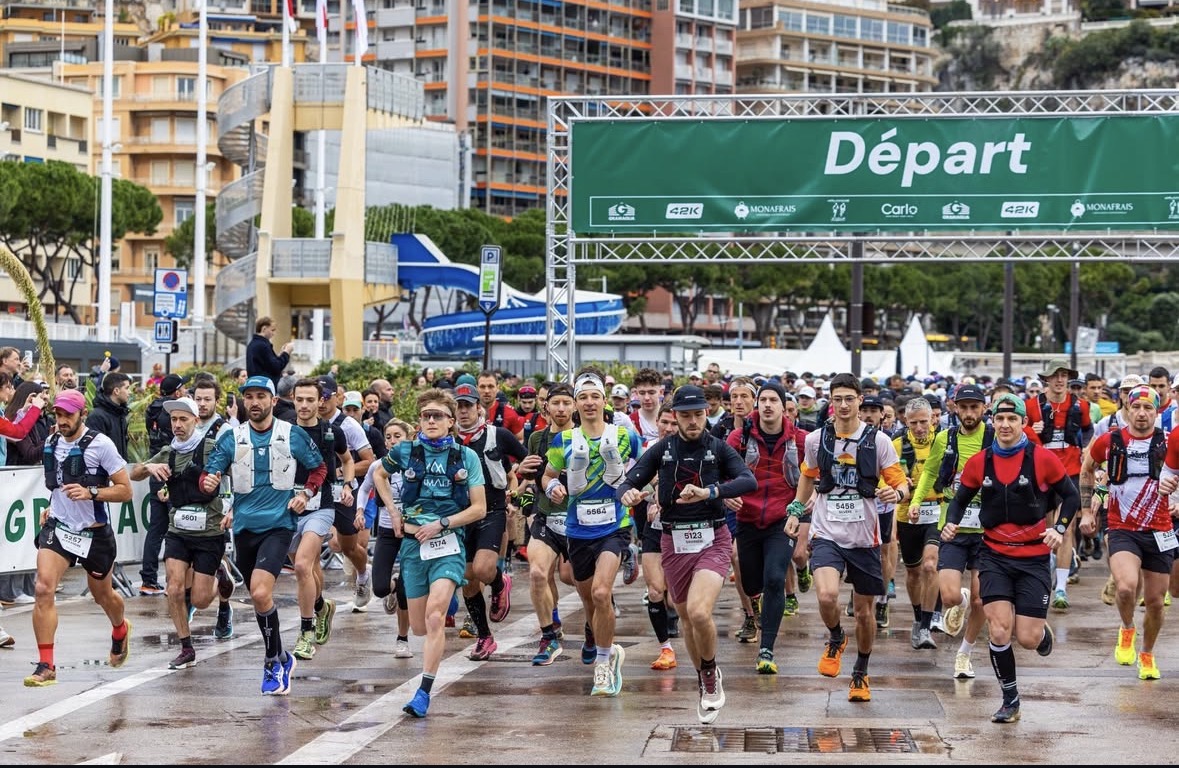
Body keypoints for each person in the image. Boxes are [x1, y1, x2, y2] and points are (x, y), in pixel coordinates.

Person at [618, 384, 755, 723]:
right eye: (685, 415)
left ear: (706, 414)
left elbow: (747, 481)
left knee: (697, 612)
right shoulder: (662, 449)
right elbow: (628, 481)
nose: (693, 421)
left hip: (713, 538)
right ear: (675, 417)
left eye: (698, 414)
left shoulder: (718, 448)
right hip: (673, 543)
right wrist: (629, 494)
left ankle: (710, 675)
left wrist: (711, 491)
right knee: (685, 619)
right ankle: (704, 675)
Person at [941, 393, 1079, 723]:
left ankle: (1041, 634)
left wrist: (1059, 529)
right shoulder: (980, 462)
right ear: (994, 421)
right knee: (1000, 630)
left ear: (1023, 423)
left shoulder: (1042, 459)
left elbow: (1071, 496)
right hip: (994, 556)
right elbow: (960, 499)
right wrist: (951, 522)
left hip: (1032, 558)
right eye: (1000, 419)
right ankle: (1010, 699)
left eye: (1012, 419)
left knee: (1027, 638)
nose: (1005, 425)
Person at [786, 373, 911, 703]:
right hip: (827, 532)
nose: (843, 405)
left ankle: (861, 671)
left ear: (860, 401)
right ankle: (836, 636)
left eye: (849, 399)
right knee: (826, 596)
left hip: (864, 538)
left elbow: (901, 484)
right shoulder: (816, 440)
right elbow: (808, 478)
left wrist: (894, 495)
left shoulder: (878, 441)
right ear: (831, 401)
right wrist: (796, 511)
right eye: (837, 398)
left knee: (865, 613)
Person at [199, 376, 328, 695]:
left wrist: (306, 493)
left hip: (279, 524)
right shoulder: (232, 437)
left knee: (258, 592)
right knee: (260, 599)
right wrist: (208, 482)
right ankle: (282, 656)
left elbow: (319, 469)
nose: (254, 402)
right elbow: (209, 472)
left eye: (261, 396)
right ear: (244, 402)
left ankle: (271, 662)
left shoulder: (291, 434)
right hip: (244, 527)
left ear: (273, 400)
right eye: (249, 397)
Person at [371, 389, 487, 718]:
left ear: (451, 422)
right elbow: (378, 473)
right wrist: (392, 511)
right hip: (411, 545)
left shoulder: (466, 458)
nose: (431, 420)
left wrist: (442, 523)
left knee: (436, 616)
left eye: (438, 416)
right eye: (425, 416)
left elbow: (479, 508)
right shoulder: (406, 451)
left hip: (448, 542)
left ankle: (423, 692)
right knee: (421, 627)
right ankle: (422, 596)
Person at [541, 369, 641, 697]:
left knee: (601, 593)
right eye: (581, 397)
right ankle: (605, 646)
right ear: (574, 405)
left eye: (594, 396)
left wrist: (641, 490)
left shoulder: (625, 435)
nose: (588, 402)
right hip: (578, 527)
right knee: (588, 598)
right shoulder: (564, 440)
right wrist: (554, 485)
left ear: (604, 401)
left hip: (614, 525)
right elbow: (548, 475)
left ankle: (603, 663)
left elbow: (646, 470)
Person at [24, 390, 134, 687]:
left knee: (103, 596)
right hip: (59, 529)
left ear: (81, 415)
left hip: (95, 534)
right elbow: (58, 485)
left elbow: (125, 491)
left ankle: (120, 629)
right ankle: (46, 664)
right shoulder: (51, 442)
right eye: (58, 414)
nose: (61, 421)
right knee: (44, 587)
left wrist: (91, 492)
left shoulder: (101, 445)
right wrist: (51, 506)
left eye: (67, 415)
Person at [128, 396, 231, 669]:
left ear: (196, 421)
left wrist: (224, 491)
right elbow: (134, 474)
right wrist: (149, 467)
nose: (177, 425)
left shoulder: (211, 448)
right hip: (178, 530)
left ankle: (220, 575)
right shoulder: (168, 452)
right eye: (173, 419)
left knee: (199, 599)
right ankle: (186, 647)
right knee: (173, 588)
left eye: (183, 419)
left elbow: (238, 473)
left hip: (209, 531)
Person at [911, 383, 993, 680]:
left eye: (975, 407)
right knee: (947, 596)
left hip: (987, 530)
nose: (969, 413)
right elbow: (930, 473)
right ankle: (960, 599)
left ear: (984, 409)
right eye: (964, 407)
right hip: (953, 526)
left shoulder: (995, 438)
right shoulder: (944, 439)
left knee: (982, 600)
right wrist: (917, 501)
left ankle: (964, 655)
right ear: (954, 408)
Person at [1090, 386, 1173, 680]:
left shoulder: (1168, 442)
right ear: (1127, 408)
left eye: (1148, 408)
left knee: (1155, 601)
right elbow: (1088, 467)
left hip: (1160, 529)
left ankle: (1147, 654)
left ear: (1157, 412)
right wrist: (1093, 502)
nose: (1141, 413)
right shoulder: (1111, 440)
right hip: (1122, 527)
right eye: (1136, 407)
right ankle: (1127, 629)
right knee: (1125, 587)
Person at [726, 380, 807, 675]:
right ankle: (758, 605)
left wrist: (801, 510)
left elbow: (812, 477)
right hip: (747, 520)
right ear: (757, 405)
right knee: (750, 584)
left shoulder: (800, 439)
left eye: (774, 400)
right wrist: (728, 493)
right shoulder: (739, 437)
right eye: (764, 400)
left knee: (774, 578)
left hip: (781, 521)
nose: (768, 405)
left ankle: (767, 649)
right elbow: (721, 471)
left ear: (784, 406)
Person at [452, 382, 527, 660]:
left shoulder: (499, 435)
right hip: (461, 514)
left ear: (478, 408)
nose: (463, 412)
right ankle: (485, 637)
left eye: (467, 406)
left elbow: (528, 459)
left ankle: (498, 584)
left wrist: (519, 492)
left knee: (484, 570)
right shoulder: (449, 440)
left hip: (492, 509)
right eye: (458, 407)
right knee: (468, 580)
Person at [286, 379, 353, 662]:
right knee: (305, 568)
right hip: (287, 507)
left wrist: (348, 485)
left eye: (309, 400)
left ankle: (306, 634)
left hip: (320, 507)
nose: (304, 405)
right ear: (293, 399)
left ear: (320, 401)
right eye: (299, 399)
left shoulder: (331, 432)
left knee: (302, 564)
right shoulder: (283, 430)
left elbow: (347, 459)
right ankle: (321, 607)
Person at [515, 382, 577, 666]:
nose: (561, 409)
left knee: (573, 579)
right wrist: (522, 477)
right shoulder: (537, 438)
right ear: (547, 408)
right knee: (539, 574)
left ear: (574, 406)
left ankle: (598, 618)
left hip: (581, 520)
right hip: (546, 516)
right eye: (556, 403)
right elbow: (529, 477)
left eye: (566, 403)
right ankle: (549, 635)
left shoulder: (584, 436)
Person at [140, 373, 190, 595]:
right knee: (175, 530)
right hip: (170, 470)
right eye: (184, 388)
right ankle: (174, 582)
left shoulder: (151, 408)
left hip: (154, 469)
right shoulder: (173, 413)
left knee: (156, 529)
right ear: (177, 392)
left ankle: (148, 580)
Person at [85, 372, 131, 460]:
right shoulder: (97, 417)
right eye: (127, 388)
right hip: (104, 472)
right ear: (116, 391)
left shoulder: (120, 414)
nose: (129, 392)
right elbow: (94, 451)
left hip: (120, 470)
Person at [246, 316, 294, 386]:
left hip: (257, 384)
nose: (274, 333)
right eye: (272, 330)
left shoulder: (253, 344)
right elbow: (276, 367)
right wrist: (286, 352)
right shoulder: (262, 345)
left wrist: (281, 354)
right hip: (265, 386)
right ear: (264, 329)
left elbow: (268, 365)